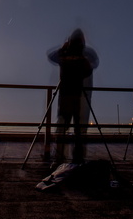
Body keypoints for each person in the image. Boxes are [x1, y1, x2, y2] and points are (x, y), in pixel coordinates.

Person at [47, 28, 99, 164]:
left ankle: (64, 158)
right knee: (73, 128)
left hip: (72, 95)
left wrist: (64, 51)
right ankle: (71, 158)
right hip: (74, 95)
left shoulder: (72, 54)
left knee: (71, 127)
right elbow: (90, 68)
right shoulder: (82, 54)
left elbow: (91, 66)